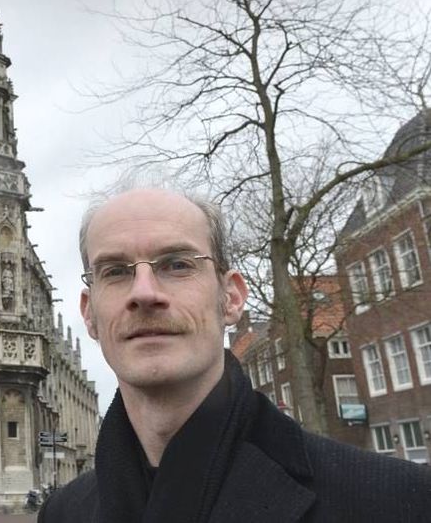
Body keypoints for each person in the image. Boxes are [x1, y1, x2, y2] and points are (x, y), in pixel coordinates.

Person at [39, 188, 431, 523]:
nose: (144, 293)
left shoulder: (398, 500)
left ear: (231, 298)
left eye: (177, 264)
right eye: (116, 271)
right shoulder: (62, 513)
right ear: (90, 314)